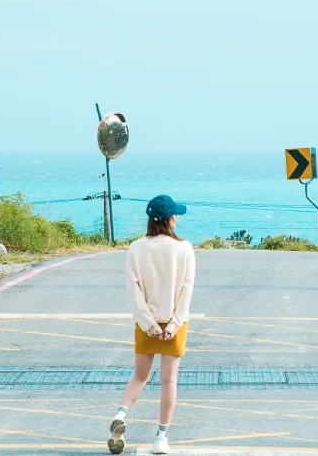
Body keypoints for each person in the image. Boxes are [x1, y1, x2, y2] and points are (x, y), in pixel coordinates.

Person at [108, 194, 196, 455]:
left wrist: (148, 322)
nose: (177, 217)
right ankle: (161, 437)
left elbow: (133, 291)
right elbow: (186, 291)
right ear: (169, 219)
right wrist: (174, 324)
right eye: (175, 214)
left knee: (140, 376)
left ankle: (121, 415)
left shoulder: (136, 248)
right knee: (168, 381)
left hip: (146, 323)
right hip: (173, 323)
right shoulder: (184, 248)